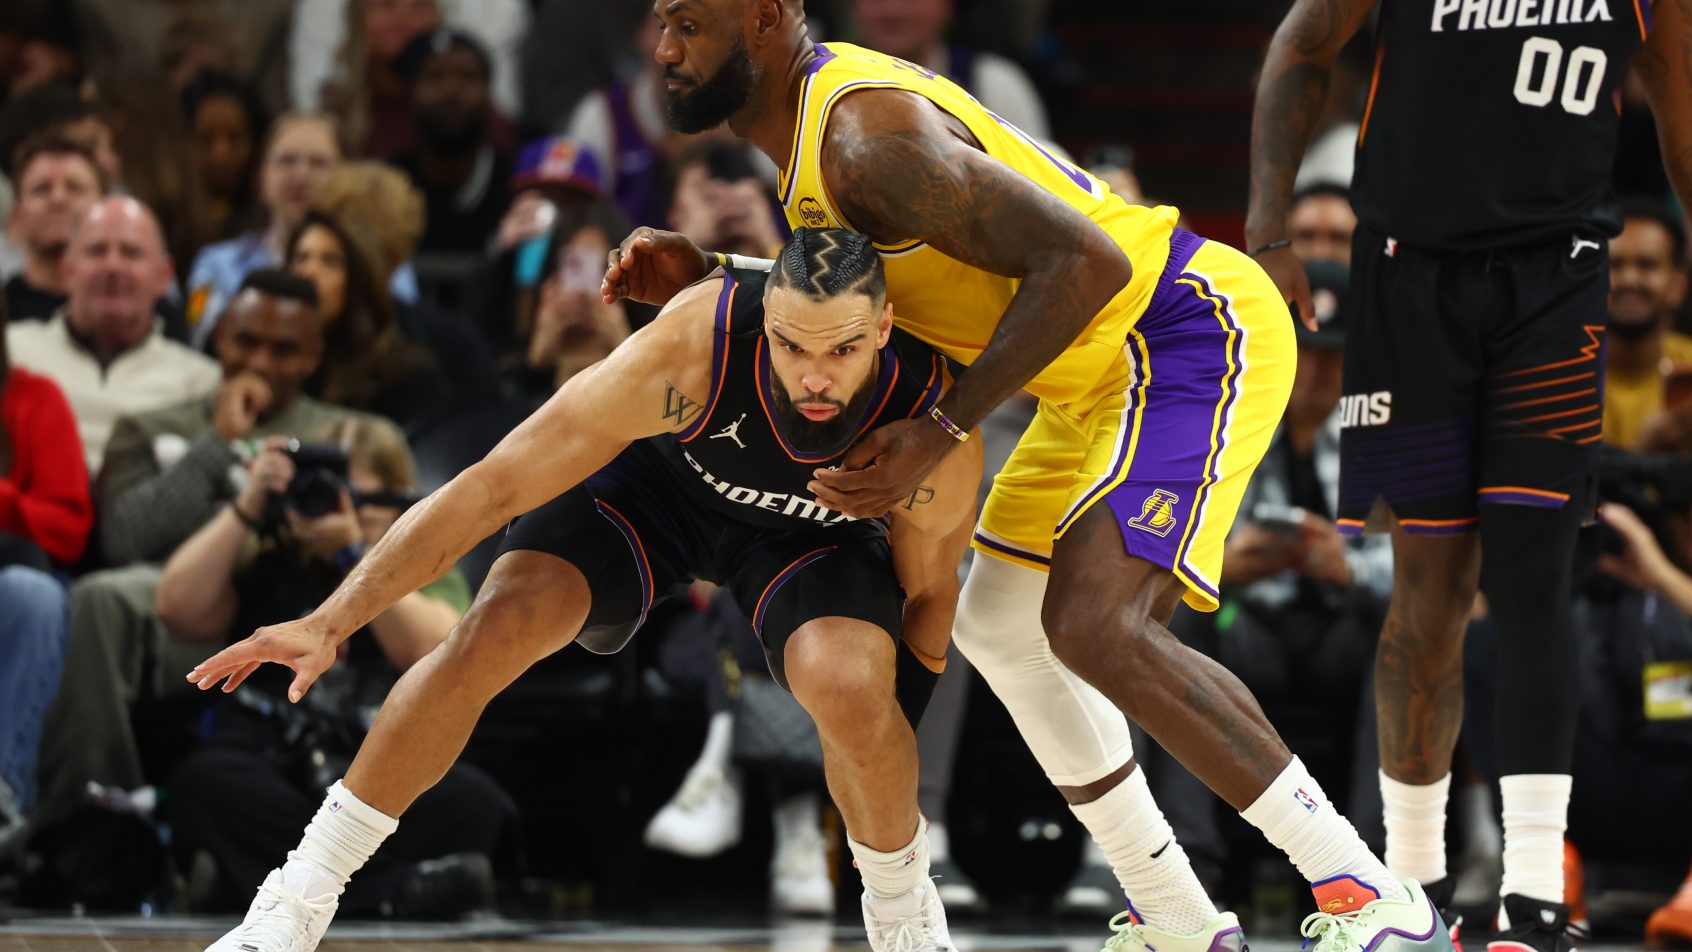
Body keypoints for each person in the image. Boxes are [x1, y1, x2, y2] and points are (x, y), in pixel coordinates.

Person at [603, 7, 1437, 950]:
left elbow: (1088, 262)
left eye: (688, 21)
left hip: (1185, 329)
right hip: (1089, 381)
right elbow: (893, 289)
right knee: (999, 623)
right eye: (659, 22)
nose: (665, 48)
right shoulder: (815, 143)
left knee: (1095, 625)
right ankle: (1172, 913)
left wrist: (941, 428)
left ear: (761, 17)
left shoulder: (865, 139)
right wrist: (715, 266)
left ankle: (1373, 895)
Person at [189, 229, 982, 950]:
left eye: (842, 352)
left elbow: (930, 597)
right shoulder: (690, 345)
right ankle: (294, 903)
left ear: (881, 331)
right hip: (657, 490)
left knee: (852, 692)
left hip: (814, 531)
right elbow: (489, 489)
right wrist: (331, 622)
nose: (813, 377)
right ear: (762, 321)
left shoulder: (932, 429)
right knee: (493, 625)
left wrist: (880, 742)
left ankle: (905, 917)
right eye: (790, 346)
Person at [1246, 1, 1692, 946]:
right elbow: (1303, 41)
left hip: (1558, 276)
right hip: (1409, 279)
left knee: (1533, 580)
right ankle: (1410, 890)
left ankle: (1535, 896)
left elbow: (1677, 94)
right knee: (1430, 583)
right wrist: (1269, 232)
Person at [34, 269, 398, 825]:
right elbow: (124, 540)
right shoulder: (152, 425)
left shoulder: (352, 436)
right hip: (184, 603)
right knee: (100, 598)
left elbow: (402, 531)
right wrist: (217, 445)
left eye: (285, 350)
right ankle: (94, 818)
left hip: (311, 605)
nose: (261, 364)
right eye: (247, 341)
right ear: (220, 333)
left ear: (314, 355)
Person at [159, 417, 511, 919]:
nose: (333, 504)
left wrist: (361, 558)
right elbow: (176, 607)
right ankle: (394, 892)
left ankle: (249, 884)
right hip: (270, 753)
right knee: (204, 782)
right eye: (322, 490)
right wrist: (250, 505)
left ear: (397, 501)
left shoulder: (426, 563)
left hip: (367, 758)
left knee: (475, 801)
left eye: (355, 495)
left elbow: (429, 647)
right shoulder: (269, 545)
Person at [5, 195, 219, 473]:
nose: (113, 266)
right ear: (67, 270)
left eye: (131, 253)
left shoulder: (201, 381)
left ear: (163, 276)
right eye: (96, 251)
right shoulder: (11, 348)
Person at [185, 113, 343, 347]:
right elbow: (196, 330)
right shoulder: (212, 265)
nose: (301, 175)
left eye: (318, 163)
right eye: (287, 160)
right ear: (262, 176)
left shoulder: (368, 264)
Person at [284, 204, 445, 431]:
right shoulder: (271, 363)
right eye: (301, 258)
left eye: (330, 261)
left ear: (359, 281)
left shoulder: (402, 377)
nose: (309, 272)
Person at [386, 29, 514, 255]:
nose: (451, 91)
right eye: (434, 77)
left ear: (488, 92)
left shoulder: (515, 183)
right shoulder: (388, 183)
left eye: (467, 77)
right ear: (411, 92)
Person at [851, 0, 1051, 141]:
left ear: (947, 4)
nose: (894, 9)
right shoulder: (823, 78)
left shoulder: (995, 83)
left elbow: (1042, 179)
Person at [1604, 199, 1692, 451]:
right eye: (1615, 265)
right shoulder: (1565, 376)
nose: (1630, 279)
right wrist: (1646, 457)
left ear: (1678, 285)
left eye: (1647, 265)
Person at [4, 134, 106, 323]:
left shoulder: (144, 309)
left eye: (75, 187)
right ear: (16, 217)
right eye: (42, 189)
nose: (58, 199)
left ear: (105, 206)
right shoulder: (4, 312)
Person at [181, 71, 269, 242]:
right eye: (206, 140)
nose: (221, 155)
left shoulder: (268, 224)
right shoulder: (168, 223)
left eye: (234, 138)